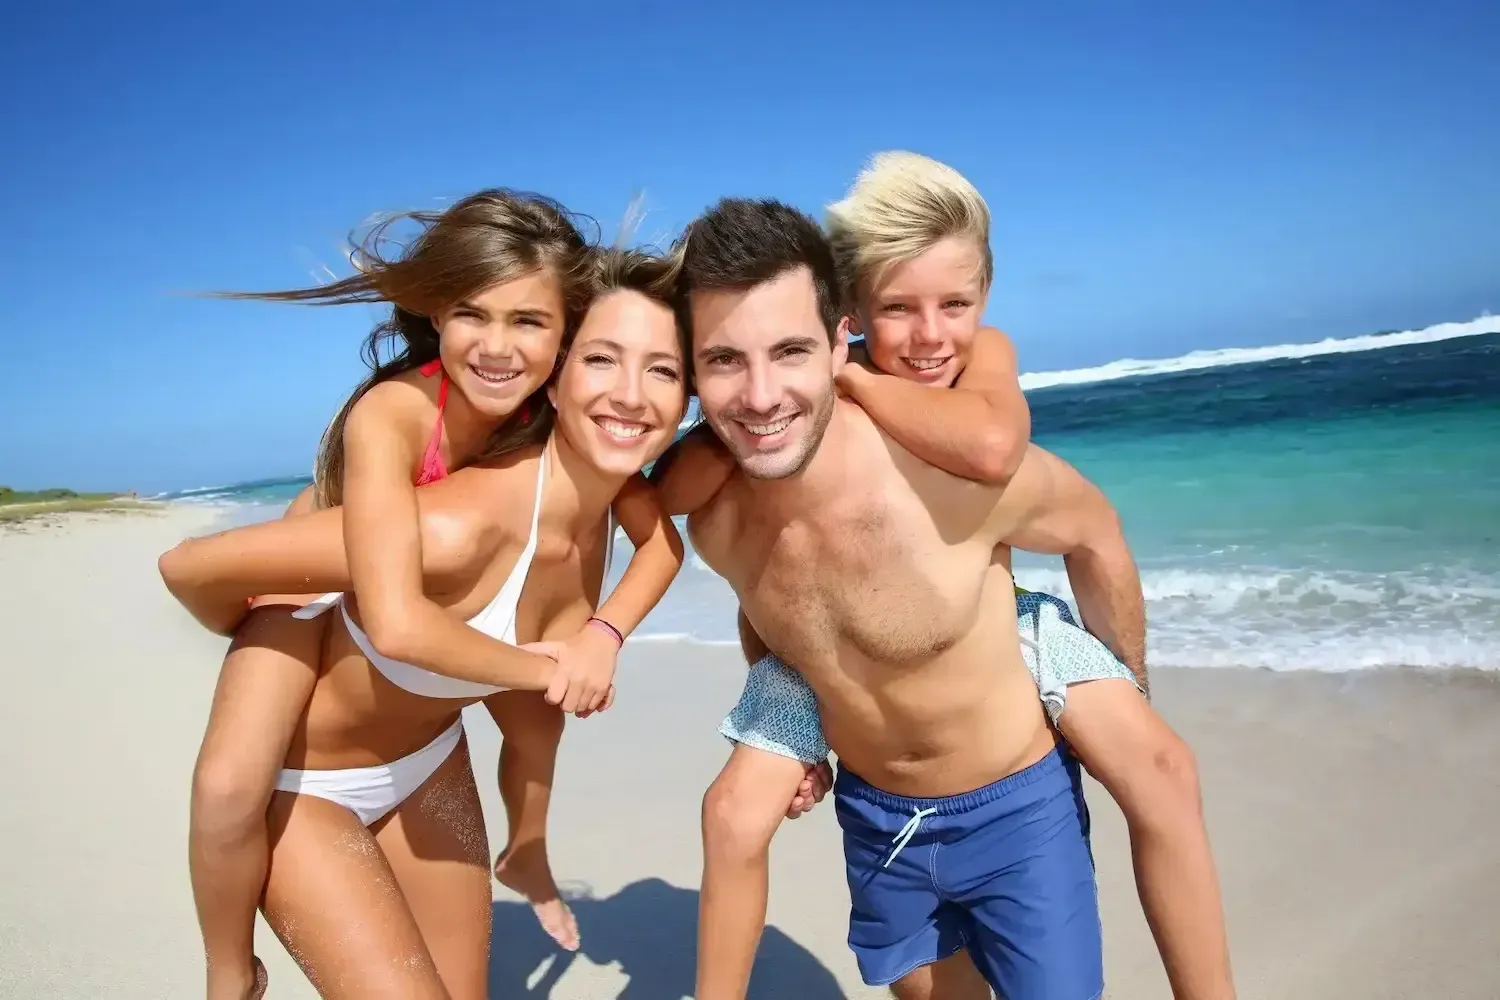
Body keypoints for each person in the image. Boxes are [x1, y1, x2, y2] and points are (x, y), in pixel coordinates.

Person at [662, 155, 1234, 1000]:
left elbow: (1087, 523)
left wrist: (1123, 686)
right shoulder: (712, 503)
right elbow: (776, 603)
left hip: (1009, 715)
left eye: (791, 351)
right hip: (882, 811)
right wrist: (792, 711)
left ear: (833, 338)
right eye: (724, 363)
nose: (759, 393)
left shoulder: (961, 466)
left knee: (1160, 769)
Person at [157, 248, 689, 1000]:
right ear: (561, 375)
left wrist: (599, 641)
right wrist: (268, 624)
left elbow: (663, 550)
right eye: (603, 360)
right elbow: (191, 566)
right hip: (305, 787)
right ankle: (233, 974)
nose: (631, 394)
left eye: (664, 371)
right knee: (226, 783)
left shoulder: (612, 502)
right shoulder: (447, 524)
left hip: (429, 766)